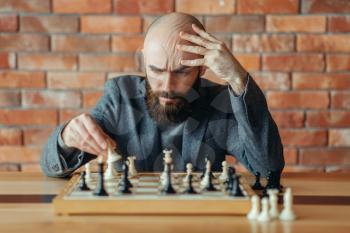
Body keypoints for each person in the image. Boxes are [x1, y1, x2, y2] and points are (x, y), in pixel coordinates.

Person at [40, 12, 284, 178]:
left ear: (202, 68)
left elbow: (268, 170)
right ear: (144, 59)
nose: (166, 85)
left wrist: (238, 79)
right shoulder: (120, 97)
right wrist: (66, 139)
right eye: (155, 70)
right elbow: (52, 167)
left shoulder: (219, 101)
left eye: (182, 72)